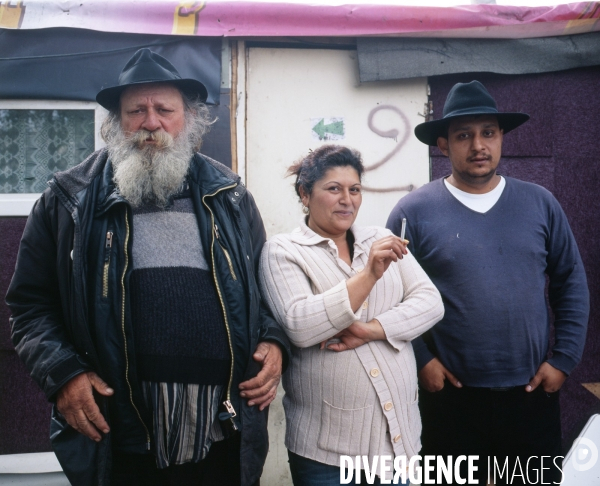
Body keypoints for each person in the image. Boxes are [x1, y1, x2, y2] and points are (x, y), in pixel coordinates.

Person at [6, 48, 290, 486]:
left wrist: (273, 341)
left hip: (220, 436)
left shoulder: (230, 196)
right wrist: (62, 373)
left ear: (189, 118)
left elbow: (266, 289)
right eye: (136, 110)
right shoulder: (68, 199)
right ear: (116, 122)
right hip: (119, 440)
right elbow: (29, 307)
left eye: (164, 109)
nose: (151, 122)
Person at [387, 80, 590, 485]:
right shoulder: (414, 212)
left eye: (488, 133)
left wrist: (563, 360)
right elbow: (387, 298)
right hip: (450, 398)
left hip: (531, 394)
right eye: (464, 135)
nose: (478, 145)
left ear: (501, 139)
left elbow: (571, 283)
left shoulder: (540, 203)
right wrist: (421, 361)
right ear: (443, 145)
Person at [259, 144, 444, 485]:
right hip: (327, 456)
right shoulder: (283, 251)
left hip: (399, 445)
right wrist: (370, 275)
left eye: (354, 189)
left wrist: (372, 329)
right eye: (334, 189)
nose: (347, 200)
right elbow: (300, 325)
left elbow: (430, 301)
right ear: (305, 193)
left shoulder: (382, 238)